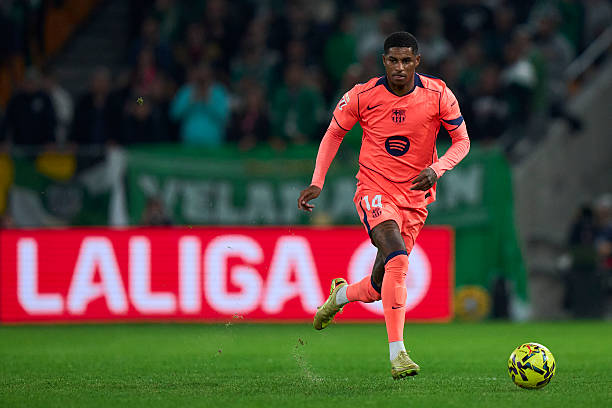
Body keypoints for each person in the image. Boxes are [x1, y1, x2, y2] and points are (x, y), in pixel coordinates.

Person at [297, 32, 470, 379]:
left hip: (415, 199)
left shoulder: (438, 94)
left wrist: (437, 169)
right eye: (393, 60)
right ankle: (398, 354)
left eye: (406, 60)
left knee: (379, 286)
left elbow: (462, 141)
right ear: (384, 61)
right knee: (398, 257)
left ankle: (341, 296)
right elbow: (334, 133)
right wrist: (317, 180)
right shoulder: (362, 95)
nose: (400, 67)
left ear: (417, 61)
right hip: (374, 189)